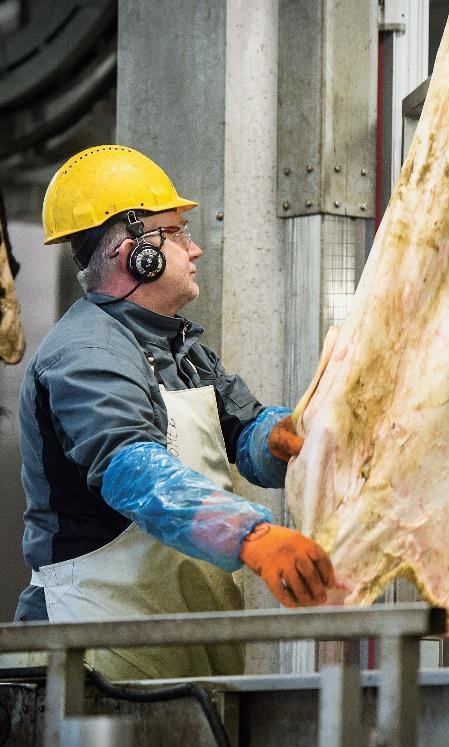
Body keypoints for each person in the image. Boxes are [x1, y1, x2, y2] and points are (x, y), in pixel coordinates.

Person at [15, 144, 335, 680]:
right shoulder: (86, 354)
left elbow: (244, 428)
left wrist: (283, 437)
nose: (196, 249)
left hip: (178, 639)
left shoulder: (181, 349)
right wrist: (253, 537)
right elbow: (133, 473)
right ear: (137, 254)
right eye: (179, 233)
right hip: (95, 648)